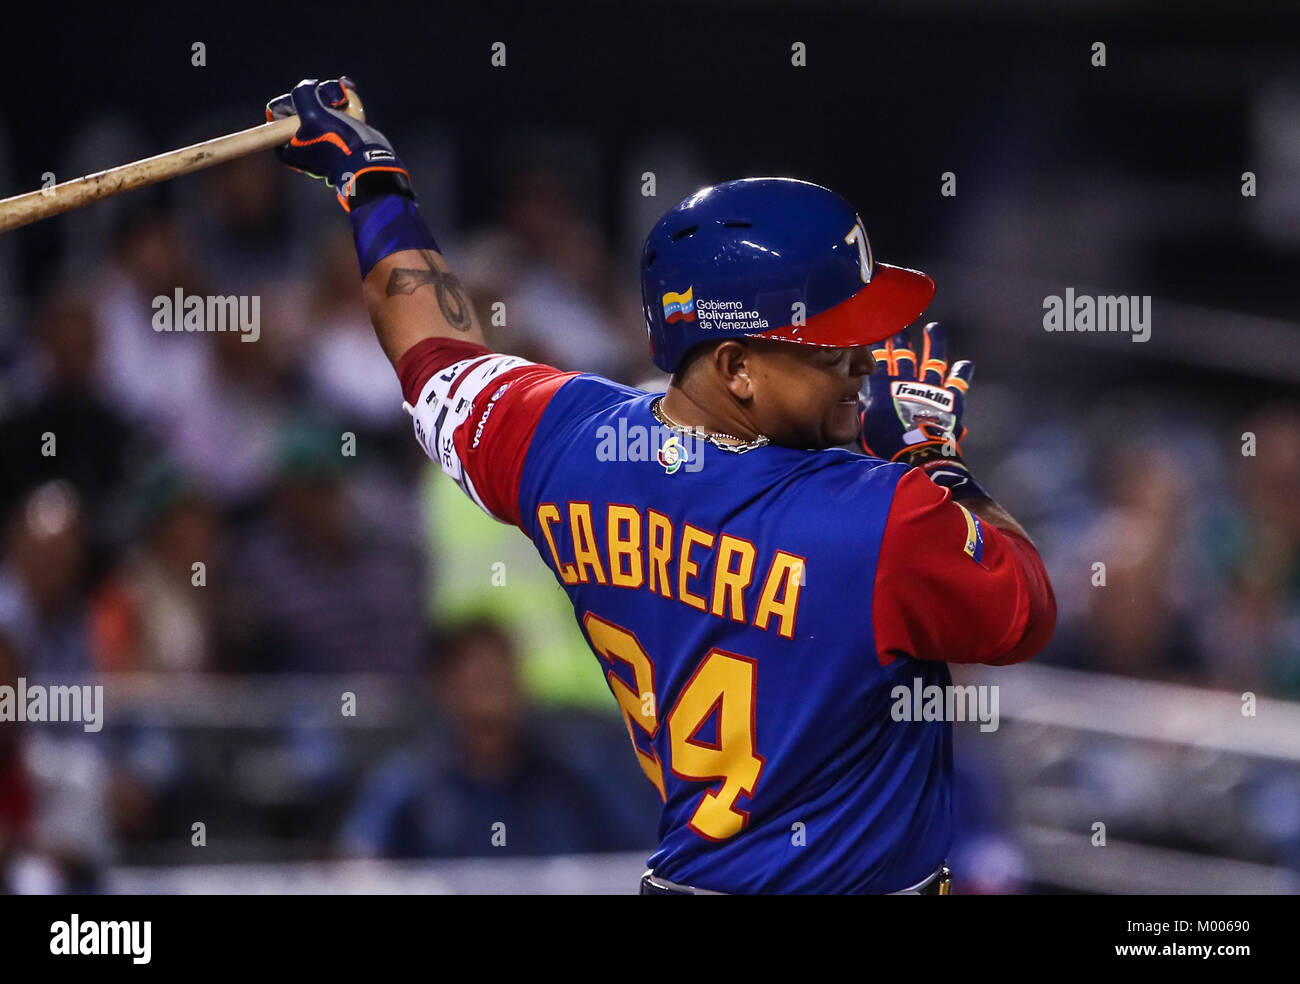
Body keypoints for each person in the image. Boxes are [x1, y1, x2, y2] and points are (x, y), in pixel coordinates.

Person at [266, 77, 1057, 894]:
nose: (863, 363)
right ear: (737, 367)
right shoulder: (879, 516)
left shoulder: (569, 442)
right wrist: (934, 458)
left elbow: (434, 359)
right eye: (831, 346)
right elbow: (1023, 609)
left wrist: (370, 183)